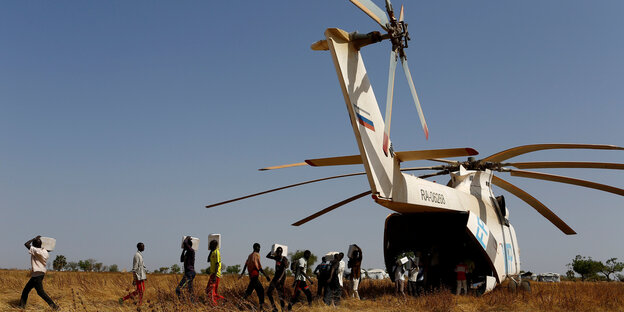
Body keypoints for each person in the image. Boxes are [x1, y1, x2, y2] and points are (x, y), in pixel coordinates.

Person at [18, 236, 59, 310]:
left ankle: (54, 306)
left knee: (40, 292)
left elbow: (26, 244)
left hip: (37, 275)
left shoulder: (36, 251)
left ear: (34, 245)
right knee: (26, 290)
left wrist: (33, 238)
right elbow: (48, 249)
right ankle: (21, 306)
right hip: (39, 274)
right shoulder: (44, 252)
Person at [240, 243, 270, 310]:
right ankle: (261, 307)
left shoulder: (250, 255)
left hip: (251, 276)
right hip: (255, 275)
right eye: (258, 248)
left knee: (249, 291)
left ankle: (240, 304)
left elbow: (245, 265)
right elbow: (259, 267)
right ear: (256, 247)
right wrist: (266, 275)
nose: (259, 249)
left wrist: (242, 274)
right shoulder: (256, 255)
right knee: (260, 290)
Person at [266, 246, 289, 312]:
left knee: (281, 295)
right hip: (275, 277)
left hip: (281, 278)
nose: (278, 253)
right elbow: (267, 256)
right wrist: (272, 251)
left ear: (281, 252)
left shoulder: (284, 259)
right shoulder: (276, 258)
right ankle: (274, 308)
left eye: (279, 251)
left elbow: (284, 270)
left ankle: (282, 309)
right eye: (277, 251)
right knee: (269, 292)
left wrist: (280, 279)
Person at [176, 236, 196, 301]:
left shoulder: (192, 251)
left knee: (178, 289)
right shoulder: (187, 253)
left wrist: (186, 238)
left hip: (190, 273)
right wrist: (183, 250)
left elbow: (185, 242)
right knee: (190, 289)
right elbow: (181, 260)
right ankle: (192, 303)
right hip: (188, 273)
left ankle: (183, 302)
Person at [205, 239, 224, 304]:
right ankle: (223, 300)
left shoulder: (217, 252)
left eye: (210, 244)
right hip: (213, 274)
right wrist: (210, 251)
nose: (209, 245)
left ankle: (214, 304)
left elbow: (217, 264)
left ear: (214, 245)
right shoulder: (212, 252)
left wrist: (215, 276)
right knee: (210, 291)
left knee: (210, 291)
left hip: (215, 274)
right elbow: (208, 260)